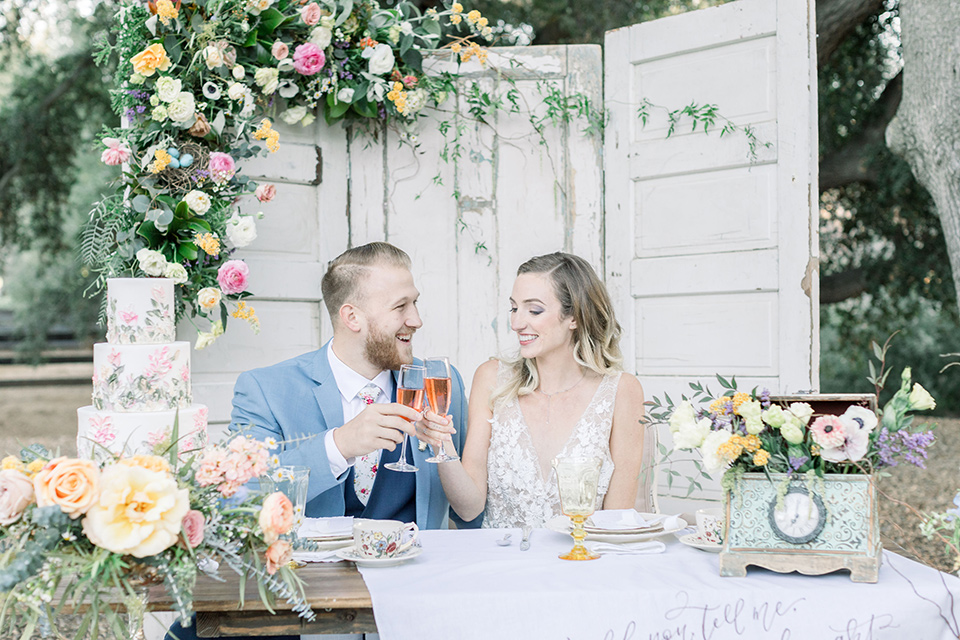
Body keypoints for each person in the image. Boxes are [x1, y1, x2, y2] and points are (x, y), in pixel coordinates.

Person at [167, 242, 480, 640]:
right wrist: (339, 445)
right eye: (401, 307)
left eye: (415, 303)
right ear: (352, 316)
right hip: (303, 609)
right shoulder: (267, 389)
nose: (416, 320)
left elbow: (470, 511)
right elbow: (241, 497)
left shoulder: (439, 384)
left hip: (412, 608)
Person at [418, 252, 647, 529]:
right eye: (514, 308)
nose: (516, 323)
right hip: (501, 562)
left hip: (580, 563)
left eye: (534, 310)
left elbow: (616, 521)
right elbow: (468, 509)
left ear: (573, 316)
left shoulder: (622, 391)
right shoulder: (491, 378)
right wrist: (442, 444)